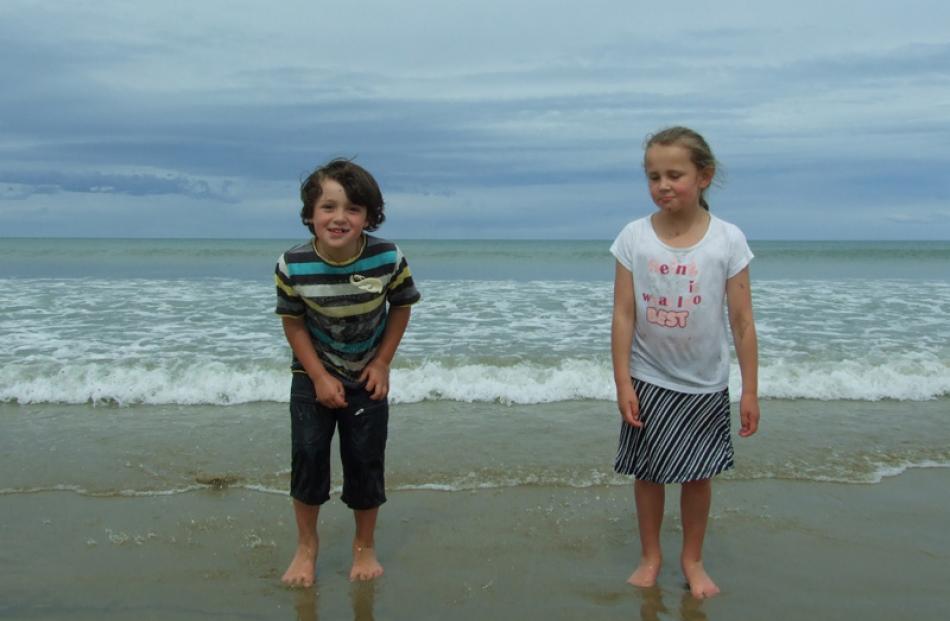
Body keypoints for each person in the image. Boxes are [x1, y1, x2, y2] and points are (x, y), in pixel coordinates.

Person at [610, 126, 760, 599]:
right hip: (649, 376)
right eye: (654, 176)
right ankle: (650, 556)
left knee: (698, 474)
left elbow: (742, 322)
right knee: (649, 473)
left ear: (704, 177)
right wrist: (622, 382)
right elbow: (623, 313)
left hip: (705, 382)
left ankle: (692, 559)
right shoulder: (634, 237)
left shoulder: (727, 239)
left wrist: (749, 389)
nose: (663, 185)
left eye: (675, 174)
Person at [274, 158, 420, 586]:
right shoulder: (292, 264)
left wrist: (382, 363)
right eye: (328, 207)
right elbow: (293, 321)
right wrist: (318, 377)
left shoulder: (387, 257)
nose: (340, 218)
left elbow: (402, 305)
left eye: (353, 209)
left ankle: (364, 546)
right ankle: (306, 547)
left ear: (368, 217)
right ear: (310, 215)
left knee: (365, 462)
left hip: (366, 376)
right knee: (309, 457)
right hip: (311, 374)